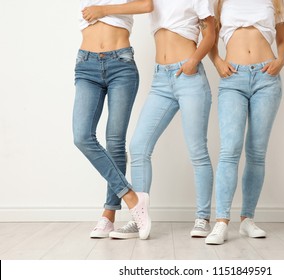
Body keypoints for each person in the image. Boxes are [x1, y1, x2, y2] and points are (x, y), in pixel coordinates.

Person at [86, 0, 216, 238]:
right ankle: (139, 218)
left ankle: (203, 217)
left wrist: (194, 61)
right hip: (161, 80)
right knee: (139, 146)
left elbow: (210, 33)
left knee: (197, 150)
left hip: (190, 77)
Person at [206, 0, 284, 245]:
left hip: (267, 78)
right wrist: (218, 62)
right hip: (233, 78)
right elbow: (209, 36)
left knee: (256, 152)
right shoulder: (219, 2)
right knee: (229, 150)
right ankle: (221, 222)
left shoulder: (274, 1)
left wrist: (280, 61)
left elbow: (283, 41)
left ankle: (247, 220)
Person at [74, 0, 153, 240]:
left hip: (121, 63)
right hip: (86, 64)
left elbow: (147, 5)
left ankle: (108, 216)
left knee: (115, 142)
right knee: (82, 137)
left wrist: (103, 10)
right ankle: (131, 197)